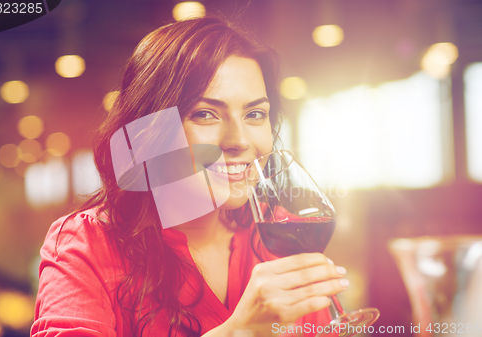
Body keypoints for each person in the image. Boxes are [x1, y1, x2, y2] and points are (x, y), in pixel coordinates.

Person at [31, 16, 348, 337]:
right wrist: (238, 331)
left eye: (255, 114)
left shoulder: (283, 233)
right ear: (151, 130)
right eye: (205, 114)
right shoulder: (86, 245)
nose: (239, 140)